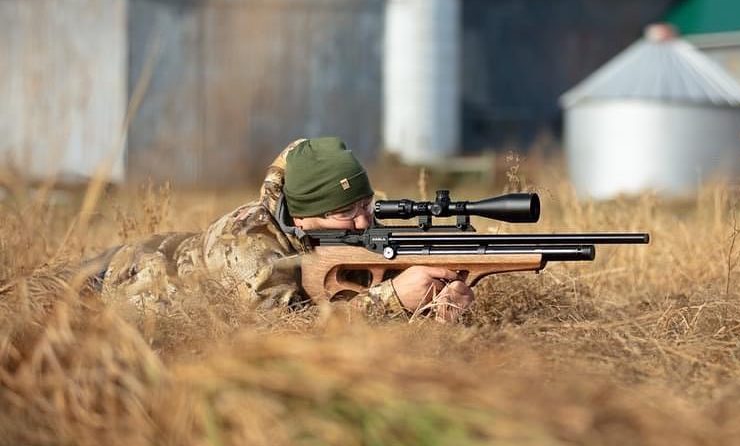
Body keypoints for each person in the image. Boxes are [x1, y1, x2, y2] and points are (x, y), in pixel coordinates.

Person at [92, 137, 475, 321]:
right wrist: (391, 298)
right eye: (345, 213)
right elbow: (285, 335)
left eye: (366, 204)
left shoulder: (346, 232)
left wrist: (431, 304)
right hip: (111, 280)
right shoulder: (246, 245)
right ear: (304, 217)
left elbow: (340, 298)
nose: (363, 221)